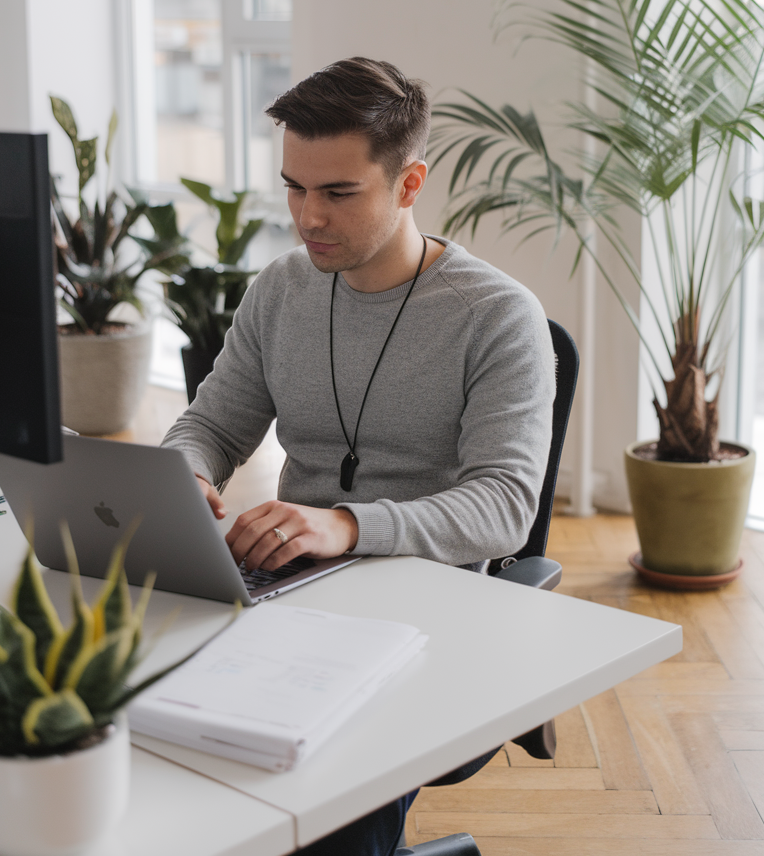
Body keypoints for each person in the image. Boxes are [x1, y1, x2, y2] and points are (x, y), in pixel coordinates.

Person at [162, 57, 556, 855]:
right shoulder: (281, 289)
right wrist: (188, 473)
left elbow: (506, 506)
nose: (309, 217)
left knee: (328, 810)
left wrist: (346, 525)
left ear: (409, 184)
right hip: (290, 586)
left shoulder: (497, 316)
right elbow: (212, 422)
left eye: (339, 193)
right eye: (294, 187)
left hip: (431, 607)